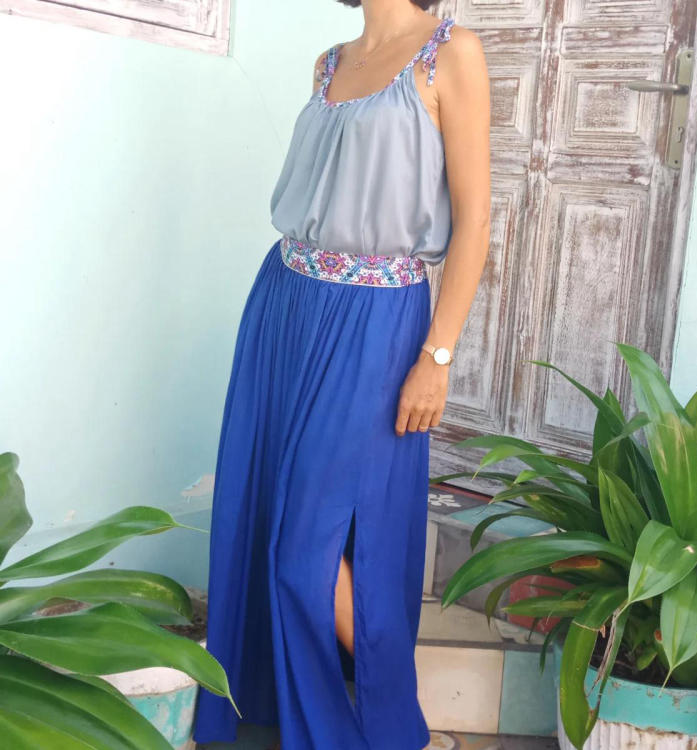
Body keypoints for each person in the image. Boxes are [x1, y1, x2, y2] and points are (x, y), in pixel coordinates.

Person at [192, 1, 490, 748]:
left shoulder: (450, 52)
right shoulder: (327, 63)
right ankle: (291, 707)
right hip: (284, 306)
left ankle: (390, 728)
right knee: (264, 515)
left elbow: (476, 222)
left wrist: (437, 355)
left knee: (306, 554)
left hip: (376, 321)